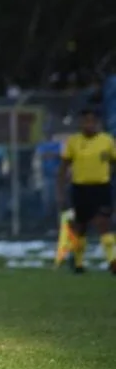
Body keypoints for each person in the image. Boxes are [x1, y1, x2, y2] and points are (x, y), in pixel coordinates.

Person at [54, 107, 116, 274]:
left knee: (104, 223)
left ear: (97, 123)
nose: (88, 124)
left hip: (101, 188)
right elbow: (63, 168)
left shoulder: (107, 141)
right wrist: (60, 191)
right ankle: (78, 264)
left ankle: (112, 261)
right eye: (85, 121)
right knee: (80, 227)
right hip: (80, 189)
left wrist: (109, 174)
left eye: (91, 121)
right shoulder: (73, 142)